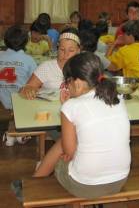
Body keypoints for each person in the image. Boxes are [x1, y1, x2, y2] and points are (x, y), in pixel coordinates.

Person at [22, 52, 130, 199]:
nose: (66, 87)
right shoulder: (116, 98)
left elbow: (70, 152)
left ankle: (34, 182)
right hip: (119, 181)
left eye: (67, 82)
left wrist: (66, 105)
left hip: (84, 185)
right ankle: (37, 178)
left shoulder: (71, 107)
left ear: (77, 83)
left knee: (61, 145)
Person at [0, 26, 37, 146]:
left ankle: (12, 132)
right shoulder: (28, 60)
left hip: (2, 103)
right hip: (20, 103)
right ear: (26, 42)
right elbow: (36, 82)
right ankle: (19, 132)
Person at [20, 29, 80, 99]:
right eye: (62, 49)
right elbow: (26, 87)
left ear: (78, 51)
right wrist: (28, 89)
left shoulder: (84, 69)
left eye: (71, 50)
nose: (66, 54)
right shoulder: (46, 67)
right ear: (57, 49)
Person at [107, 20, 139, 84]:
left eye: (124, 34)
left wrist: (114, 44)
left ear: (130, 36)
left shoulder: (125, 50)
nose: (122, 36)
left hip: (136, 91)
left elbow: (108, 66)